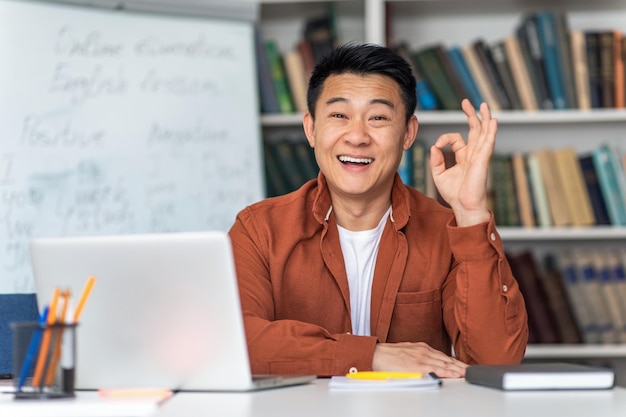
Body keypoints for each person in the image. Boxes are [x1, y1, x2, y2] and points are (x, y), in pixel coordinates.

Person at [228, 43, 528, 378]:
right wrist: (370, 356)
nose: (357, 136)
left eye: (379, 118)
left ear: (408, 133)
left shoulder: (445, 230)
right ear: (311, 128)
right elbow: (235, 343)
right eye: (339, 115)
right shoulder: (258, 229)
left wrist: (471, 214)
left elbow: (495, 361)